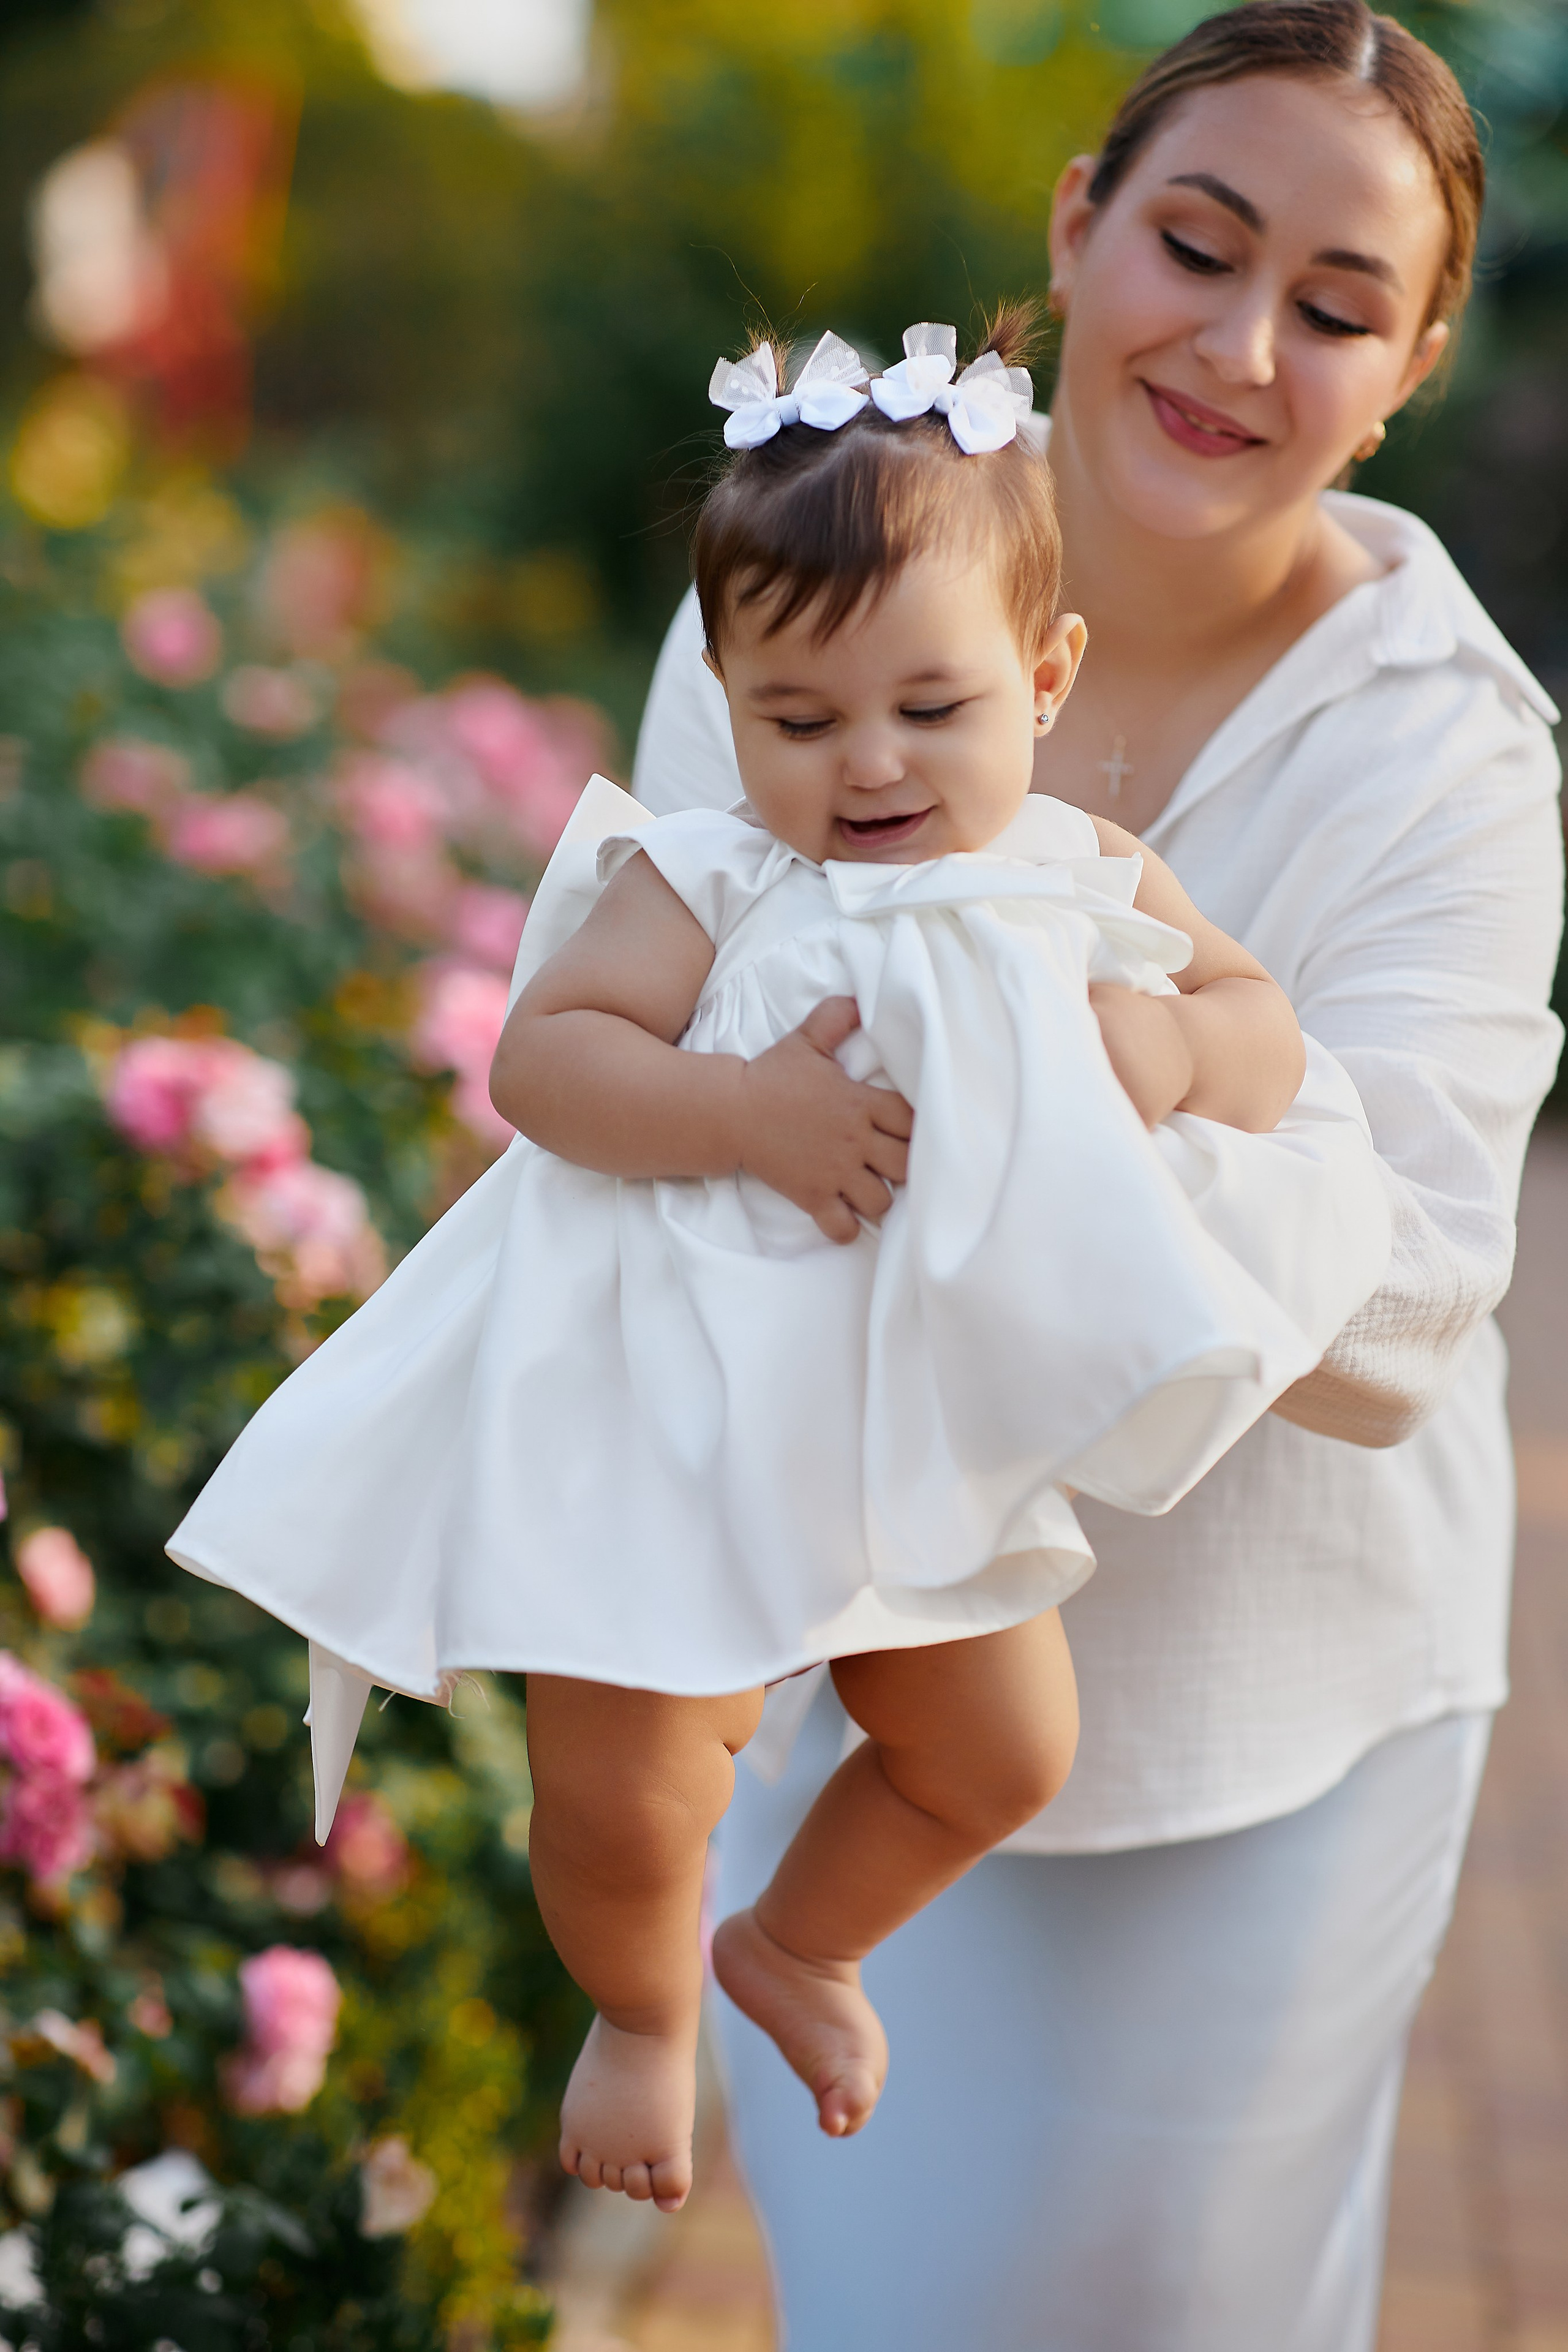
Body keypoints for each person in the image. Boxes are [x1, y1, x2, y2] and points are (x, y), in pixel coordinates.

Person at [167, 307, 1386, 2216]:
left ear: (1046, 677)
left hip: (921, 1431)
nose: (870, 763)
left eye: (933, 706)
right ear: (727, 697)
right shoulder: (716, 879)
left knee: (1004, 1749)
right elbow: (545, 1060)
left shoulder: (1084, 876)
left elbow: (1267, 1027)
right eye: (798, 719)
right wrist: (742, 1113)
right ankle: (647, 2010)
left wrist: (1169, 1046)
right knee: (624, 1792)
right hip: (678, 1416)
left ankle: (800, 1945)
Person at [630, 3, 1565, 2345]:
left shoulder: (1445, 747)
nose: (1241, 345)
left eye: (1340, 308)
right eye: (1199, 243)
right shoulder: (804, 577)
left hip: (1262, 1725)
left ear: (1415, 359)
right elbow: (647, 1057)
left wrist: (1075, 1114)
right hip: (852, 1684)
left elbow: (1419, 1297)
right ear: (1080, 220)